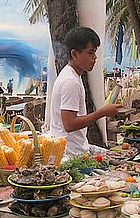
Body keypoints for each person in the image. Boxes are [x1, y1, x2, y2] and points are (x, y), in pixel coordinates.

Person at [49, 27, 121, 158]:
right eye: (90, 53)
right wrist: (103, 112)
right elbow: (69, 124)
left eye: (95, 53)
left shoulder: (72, 75)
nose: (94, 58)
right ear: (74, 54)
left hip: (73, 148)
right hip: (69, 154)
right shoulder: (70, 81)